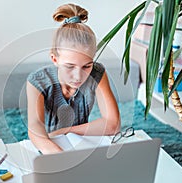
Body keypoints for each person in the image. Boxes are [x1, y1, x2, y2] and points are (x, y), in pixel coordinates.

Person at [26, 3, 120, 154]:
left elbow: (113, 124)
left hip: (80, 142)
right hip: (49, 143)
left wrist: (65, 131)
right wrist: (57, 153)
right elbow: (35, 125)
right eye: (69, 67)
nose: (78, 76)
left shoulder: (97, 73)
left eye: (86, 66)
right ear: (54, 59)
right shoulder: (37, 81)